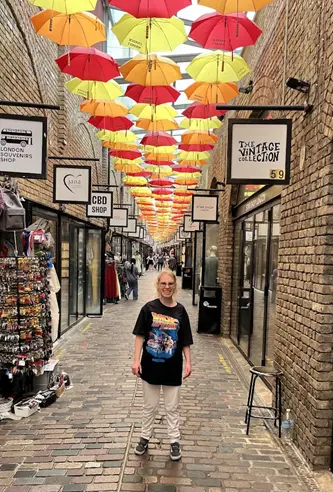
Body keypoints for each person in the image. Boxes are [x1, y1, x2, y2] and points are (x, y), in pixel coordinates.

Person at [132, 269, 193, 461]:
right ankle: (144, 437)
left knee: (172, 407)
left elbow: (185, 340)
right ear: (158, 285)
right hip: (150, 365)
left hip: (172, 367)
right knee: (149, 406)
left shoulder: (181, 311)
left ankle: (175, 441)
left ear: (175, 286)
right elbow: (140, 336)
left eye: (170, 284)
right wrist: (135, 360)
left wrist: (189, 362)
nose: (167, 287)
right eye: (163, 284)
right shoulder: (148, 308)